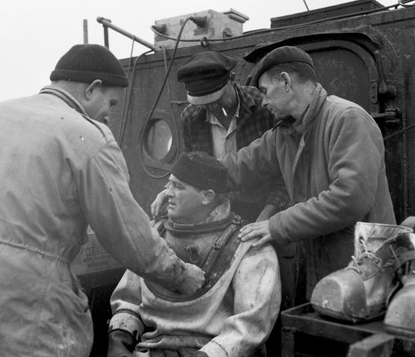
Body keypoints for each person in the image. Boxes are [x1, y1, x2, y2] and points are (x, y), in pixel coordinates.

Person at [0, 44, 205, 357]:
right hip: (22, 327)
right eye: (110, 103)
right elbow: (128, 236)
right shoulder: (90, 136)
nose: (108, 114)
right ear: (92, 89)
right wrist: (180, 274)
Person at [225, 45, 396, 301]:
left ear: (285, 81)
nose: (262, 101)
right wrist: (180, 179)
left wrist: (276, 225)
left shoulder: (347, 119)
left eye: (264, 91)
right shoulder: (284, 133)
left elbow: (349, 199)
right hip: (323, 271)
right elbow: (240, 165)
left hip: (363, 274)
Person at [108, 151, 281, 357]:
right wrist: (120, 336)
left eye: (178, 187)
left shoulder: (248, 246)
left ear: (206, 197)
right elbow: (129, 298)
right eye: (169, 184)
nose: (167, 193)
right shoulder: (155, 235)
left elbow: (250, 325)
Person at [173, 50, 288, 222]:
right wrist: (169, 191)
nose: (212, 108)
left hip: (264, 206)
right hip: (215, 210)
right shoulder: (190, 117)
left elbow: (284, 171)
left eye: (216, 99)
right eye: (204, 104)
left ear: (232, 79)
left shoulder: (265, 107)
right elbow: (191, 169)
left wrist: (267, 215)